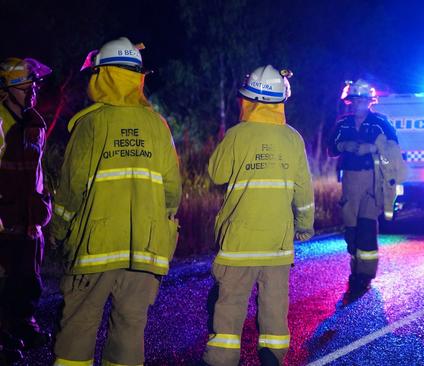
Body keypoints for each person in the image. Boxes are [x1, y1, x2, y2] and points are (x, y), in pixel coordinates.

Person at [50, 37, 182, 366]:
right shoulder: (158, 126)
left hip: (95, 249)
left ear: (102, 76)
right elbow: (172, 194)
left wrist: (58, 232)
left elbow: (70, 192)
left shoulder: (89, 124)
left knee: (77, 331)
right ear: (137, 78)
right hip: (145, 251)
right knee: (129, 333)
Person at [203, 65, 314, 366]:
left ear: (248, 99)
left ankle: (221, 360)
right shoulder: (293, 139)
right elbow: (303, 192)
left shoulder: (237, 135)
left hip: (239, 242)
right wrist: (304, 228)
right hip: (277, 244)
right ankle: (273, 357)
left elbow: (216, 173)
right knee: (275, 308)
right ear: (280, 101)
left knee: (229, 307)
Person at [0, 57, 53, 359]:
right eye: (25, 84)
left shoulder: (33, 123)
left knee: (27, 278)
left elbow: (35, 174)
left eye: (33, 84)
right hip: (4, 217)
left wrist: (39, 210)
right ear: (8, 88)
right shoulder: (0, 121)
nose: (32, 89)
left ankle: (22, 327)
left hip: (28, 218)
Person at [328, 79, 398, 296]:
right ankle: (355, 269)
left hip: (372, 180)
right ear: (350, 101)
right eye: (355, 99)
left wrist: (373, 147)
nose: (358, 103)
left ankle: (365, 276)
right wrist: (344, 145)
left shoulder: (381, 123)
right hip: (350, 180)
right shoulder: (343, 124)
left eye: (363, 100)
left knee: (367, 228)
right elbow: (330, 149)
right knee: (351, 230)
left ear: (370, 101)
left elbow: (394, 148)